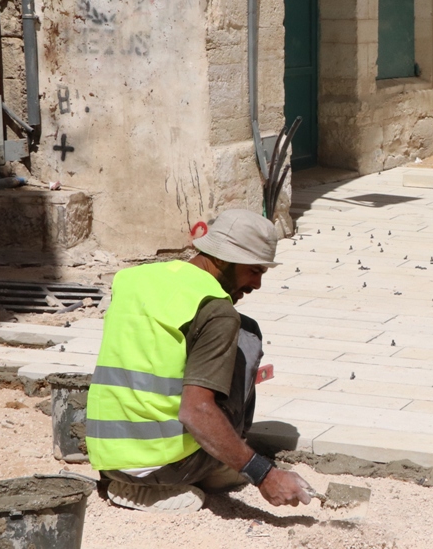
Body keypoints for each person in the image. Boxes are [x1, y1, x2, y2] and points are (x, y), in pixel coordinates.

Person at [85, 209, 314, 513]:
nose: (256, 284)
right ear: (224, 258)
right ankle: (166, 484)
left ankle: (131, 478)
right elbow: (196, 411)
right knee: (247, 334)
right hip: (164, 464)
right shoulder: (216, 310)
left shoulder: (131, 279)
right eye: (255, 271)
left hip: (106, 455)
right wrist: (262, 473)